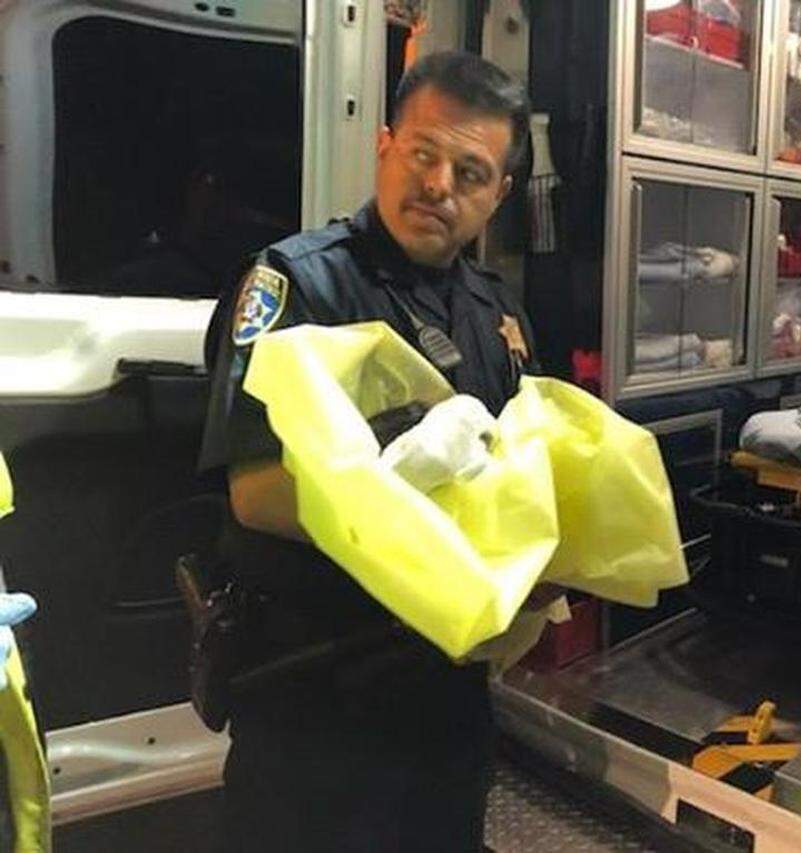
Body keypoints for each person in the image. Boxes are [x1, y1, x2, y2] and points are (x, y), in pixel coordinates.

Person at [197, 51, 539, 852]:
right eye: (423, 153)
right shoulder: (297, 287)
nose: (439, 185)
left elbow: (525, 472)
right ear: (385, 145)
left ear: (500, 194)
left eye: (471, 169)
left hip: (448, 702)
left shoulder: (500, 317)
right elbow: (259, 490)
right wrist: (440, 530)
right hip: (316, 697)